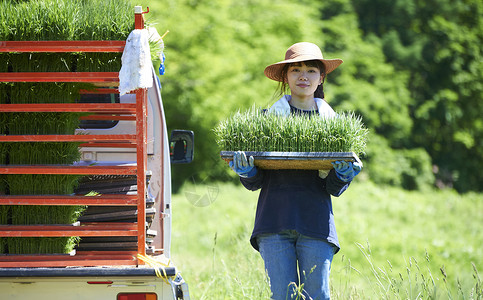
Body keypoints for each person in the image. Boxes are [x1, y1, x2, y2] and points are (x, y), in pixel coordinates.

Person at [229, 42, 362, 300]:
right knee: (283, 297)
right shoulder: (267, 120)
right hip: (273, 222)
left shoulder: (334, 125)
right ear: (286, 77)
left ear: (321, 77)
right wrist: (246, 172)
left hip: (316, 223)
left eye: (311, 70)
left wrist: (343, 176)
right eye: (296, 70)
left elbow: (333, 188)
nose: (304, 76)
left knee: (317, 296)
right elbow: (256, 181)